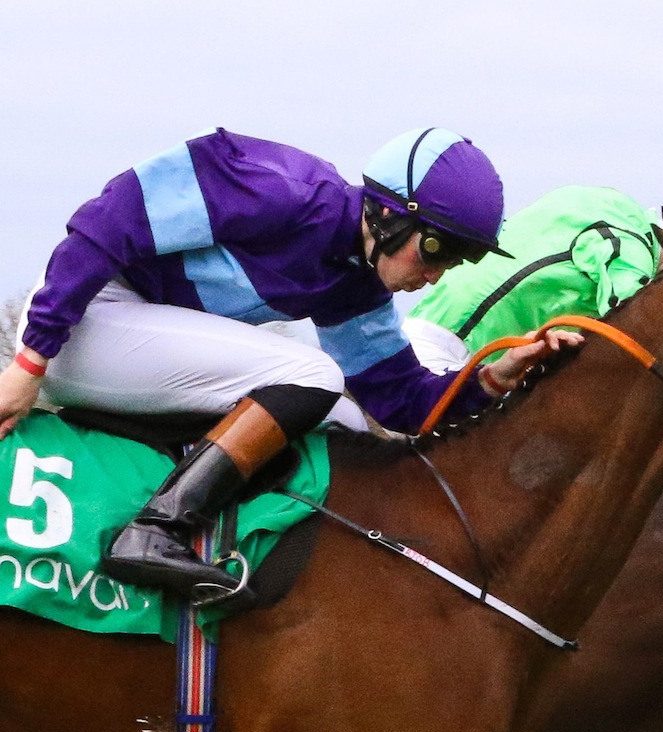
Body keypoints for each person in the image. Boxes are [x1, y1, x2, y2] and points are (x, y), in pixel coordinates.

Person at [0, 127, 571, 600]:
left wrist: (492, 378)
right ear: (391, 214)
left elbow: (403, 403)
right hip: (81, 324)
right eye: (436, 248)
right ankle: (154, 532)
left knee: (344, 423)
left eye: (460, 257)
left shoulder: (356, 285)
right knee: (313, 374)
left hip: (130, 347)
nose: (437, 274)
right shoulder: (280, 189)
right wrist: (30, 363)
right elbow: (105, 220)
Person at [404, 183, 663, 367]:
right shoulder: (633, 242)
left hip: (450, 346)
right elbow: (639, 335)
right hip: (446, 356)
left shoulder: (611, 212)